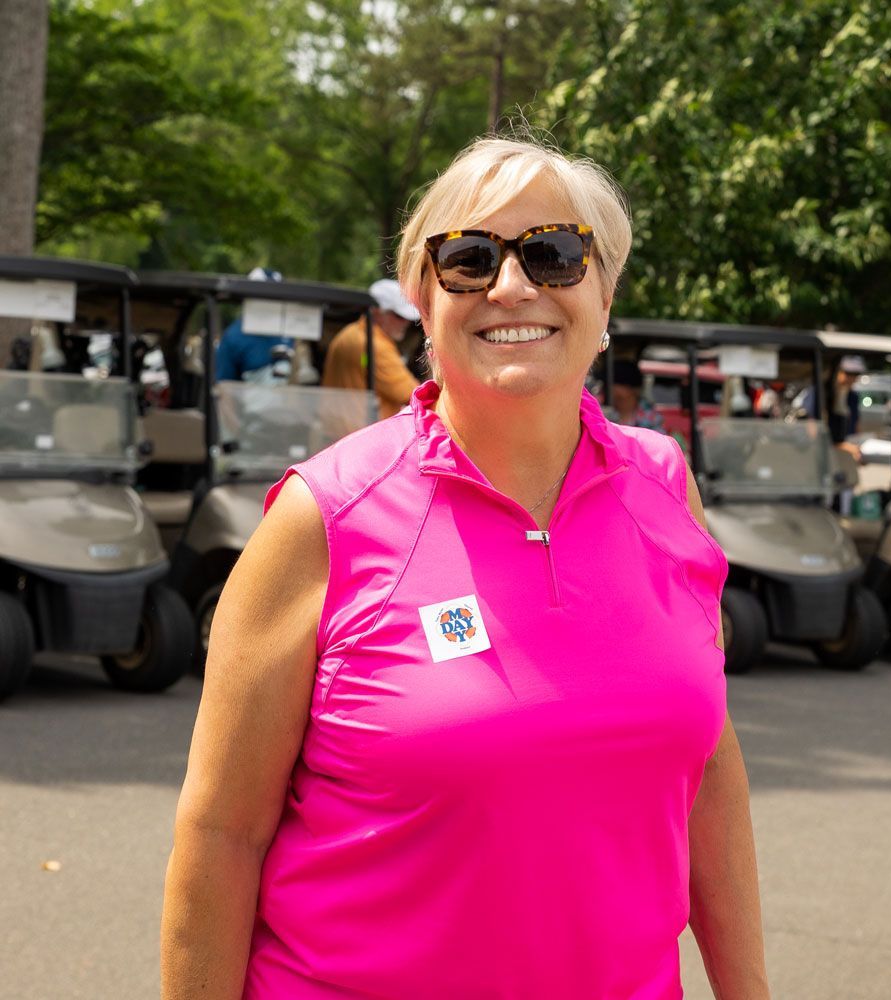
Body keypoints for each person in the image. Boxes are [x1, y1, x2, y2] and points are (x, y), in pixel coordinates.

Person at [162, 136, 770, 999]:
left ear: (607, 292)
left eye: (556, 254)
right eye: (470, 259)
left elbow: (708, 773)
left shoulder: (667, 488)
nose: (513, 287)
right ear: (421, 296)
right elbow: (221, 834)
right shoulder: (323, 516)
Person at [322, 277, 419, 419]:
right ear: (375, 311)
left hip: (337, 431)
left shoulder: (348, 334)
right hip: (361, 433)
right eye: (399, 316)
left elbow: (364, 363)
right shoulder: (376, 346)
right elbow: (413, 395)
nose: (406, 323)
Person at [214, 267, 294, 384]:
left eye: (274, 296)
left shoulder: (291, 332)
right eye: (263, 296)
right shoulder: (234, 336)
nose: (268, 302)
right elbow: (224, 387)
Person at [609, 358, 666, 432]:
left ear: (626, 389)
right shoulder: (604, 412)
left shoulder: (651, 418)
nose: (605, 389)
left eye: (611, 384)